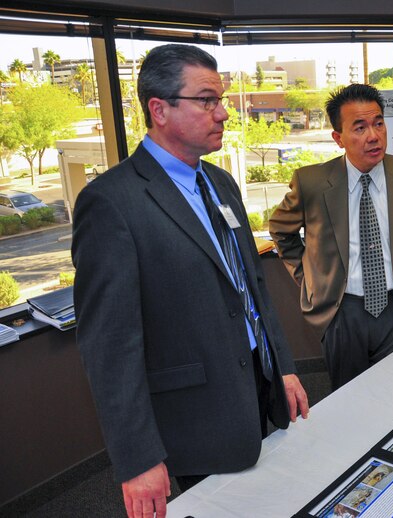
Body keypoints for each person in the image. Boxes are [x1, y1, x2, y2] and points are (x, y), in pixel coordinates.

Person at [72, 44, 309, 518]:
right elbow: (110, 346)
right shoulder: (111, 202)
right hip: (195, 415)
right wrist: (138, 458)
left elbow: (251, 287)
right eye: (206, 100)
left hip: (257, 388)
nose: (223, 113)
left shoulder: (221, 183)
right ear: (159, 109)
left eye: (220, 100)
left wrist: (280, 365)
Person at [269, 84, 393, 390]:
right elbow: (281, 230)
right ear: (338, 138)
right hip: (341, 311)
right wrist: (309, 280)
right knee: (349, 398)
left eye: (379, 123)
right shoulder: (313, 183)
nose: (373, 135)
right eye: (359, 127)